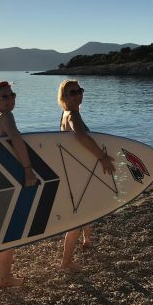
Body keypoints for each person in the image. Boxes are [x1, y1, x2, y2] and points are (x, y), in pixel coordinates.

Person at [0, 81, 37, 288]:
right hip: (13, 177)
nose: (10, 99)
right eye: (5, 96)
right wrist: (28, 169)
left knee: (2, 226)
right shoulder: (7, 117)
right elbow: (16, 138)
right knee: (11, 230)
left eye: (12, 95)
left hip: (0, 178)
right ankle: (6, 278)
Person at [57, 79, 115, 272]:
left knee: (87, 207)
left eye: (79, 90)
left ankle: (87, 239)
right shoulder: (72, 114)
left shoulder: (65, 114)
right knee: (77, 217)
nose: (77, 95)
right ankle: (66, 263)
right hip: (77, 174)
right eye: (72, 92)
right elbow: (81, 136)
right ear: (64, 97)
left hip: (75, 171)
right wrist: (102, 157)